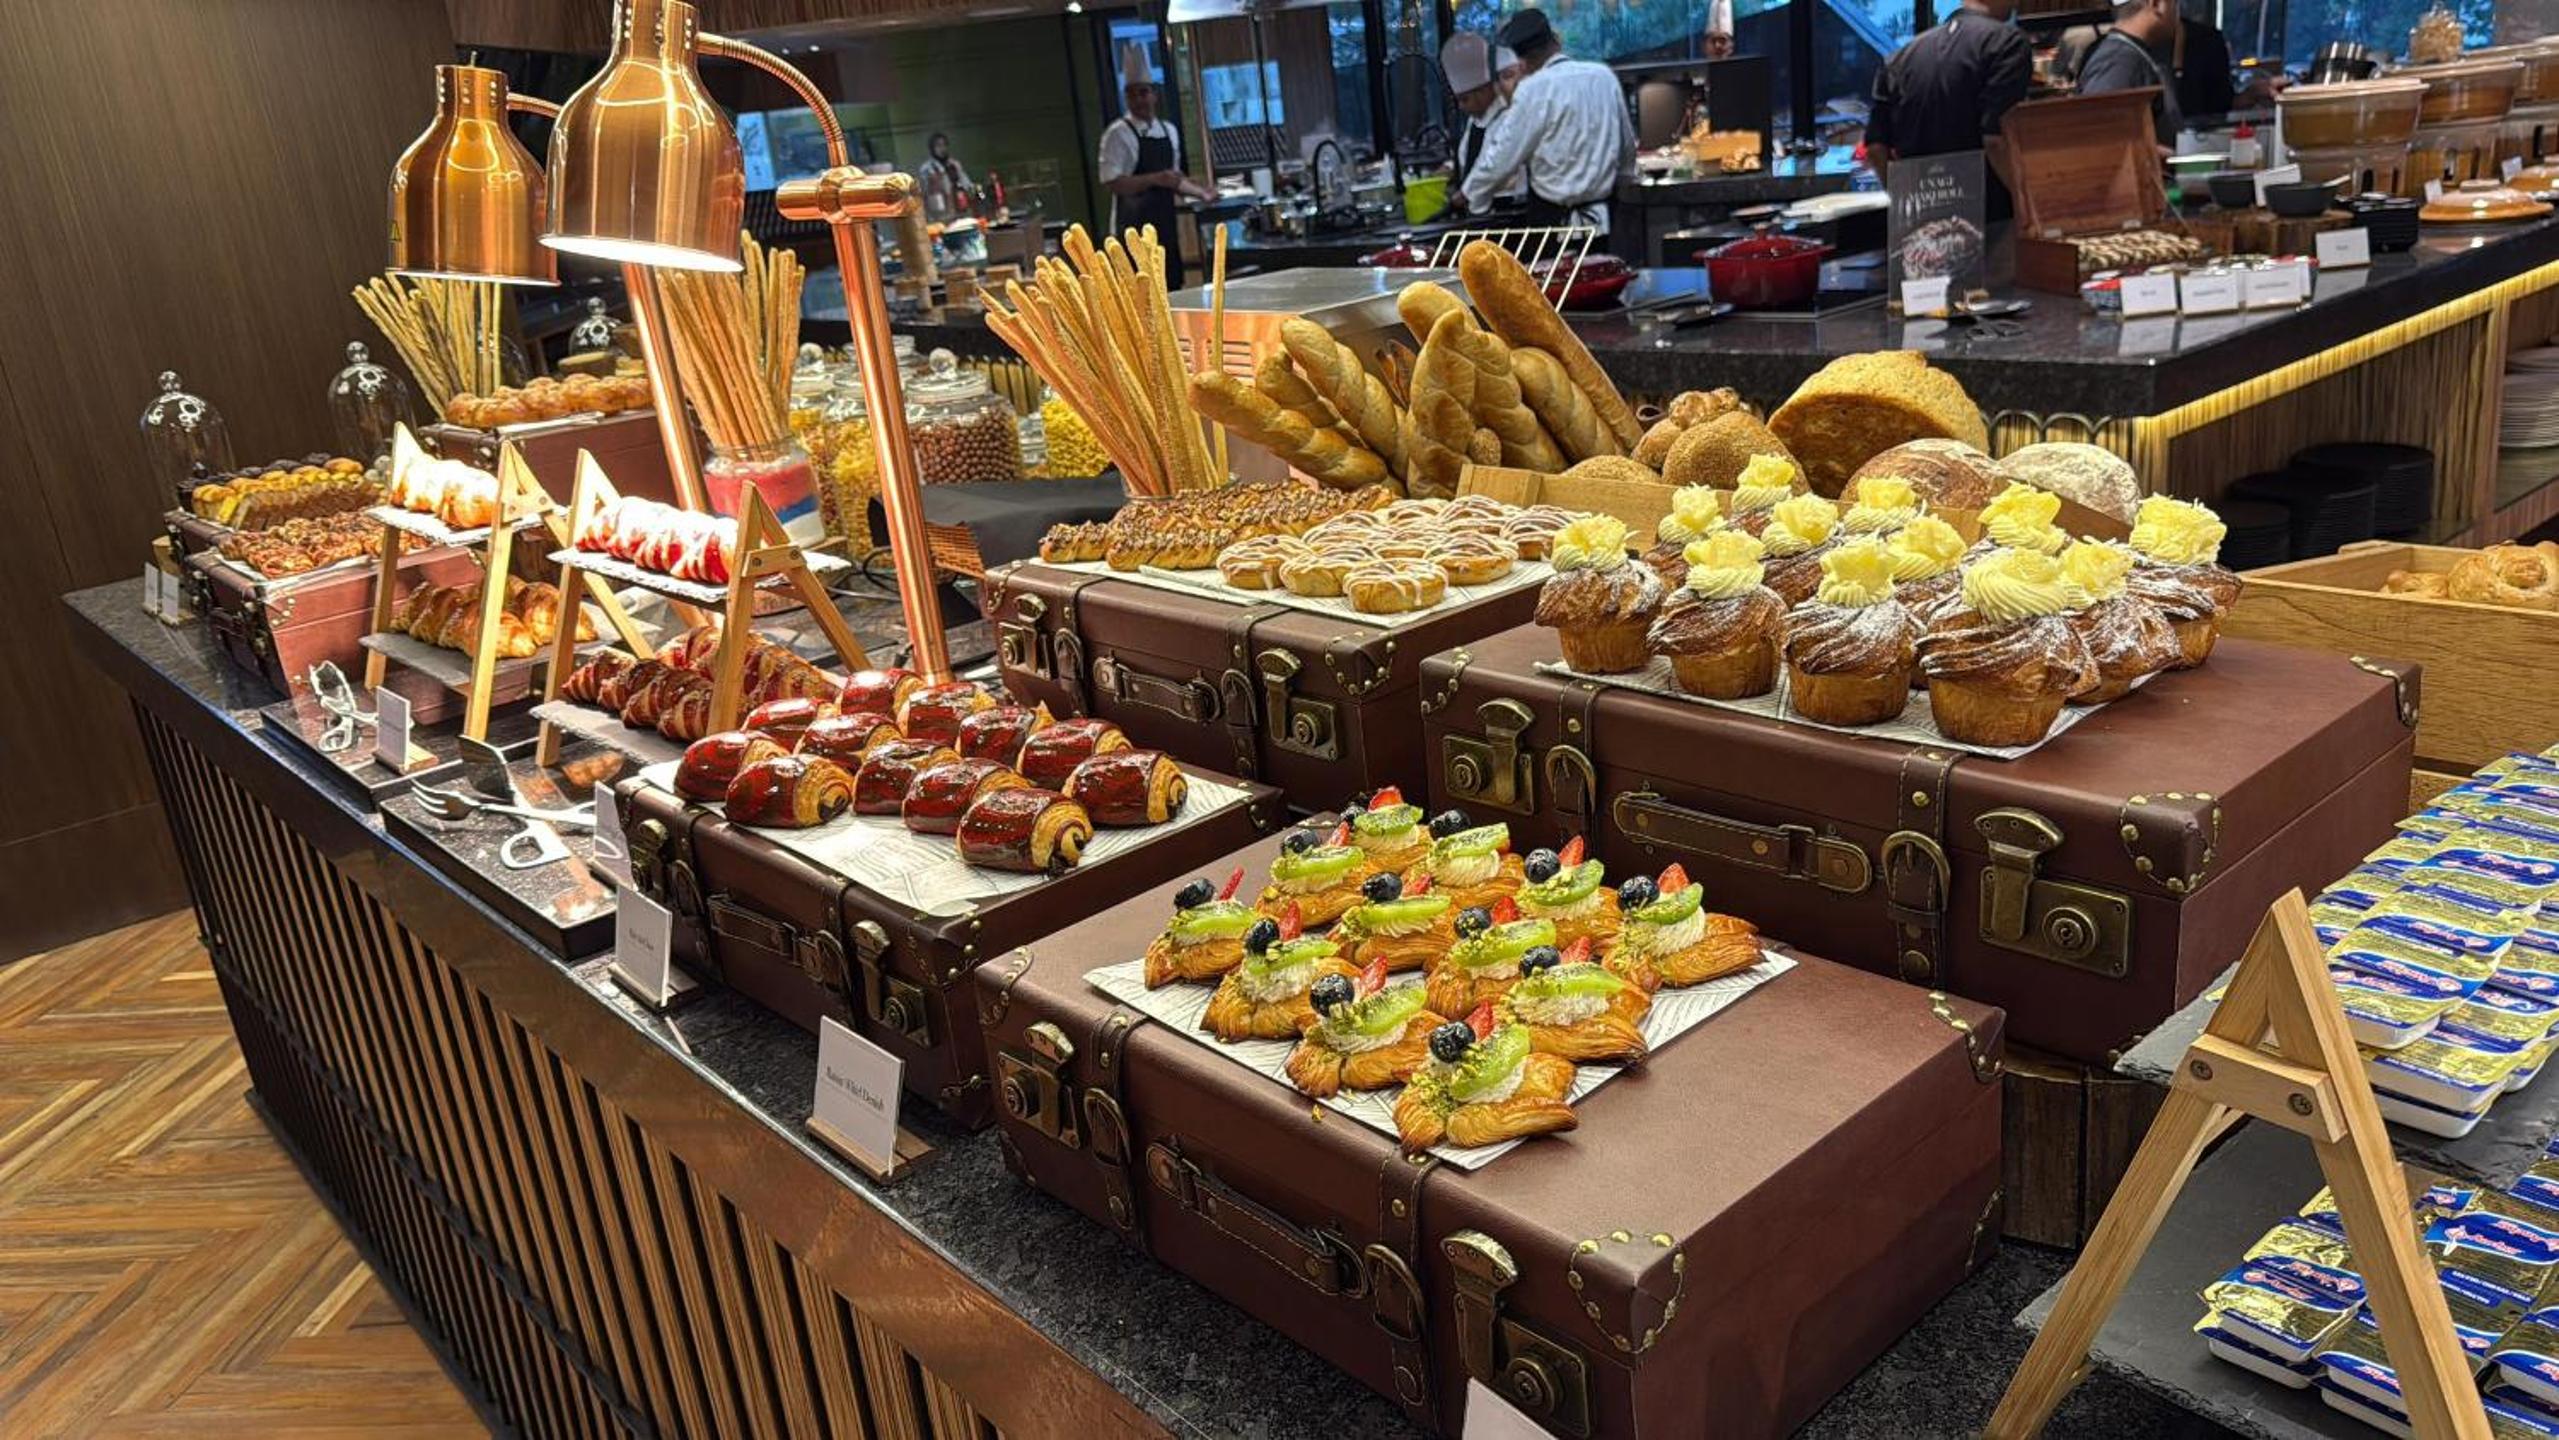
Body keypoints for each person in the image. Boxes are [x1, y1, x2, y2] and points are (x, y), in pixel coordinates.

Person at [1460, 8, 1637, 235]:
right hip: (1605, 220)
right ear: (1555, 40)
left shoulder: (1532, 90)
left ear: (1522, 62)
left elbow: (1503, 156)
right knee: (1604, 260)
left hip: (1553, 225)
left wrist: (1471, 195)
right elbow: (1627, 148)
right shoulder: (1603, 76)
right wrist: (1625, 182)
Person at [1866, 0, 2034, 211]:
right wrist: (2028, 206)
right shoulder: (2008, 43)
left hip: (1920, 213)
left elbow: (1875, 149)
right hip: (1986, 212)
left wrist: (1903, 202)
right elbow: (1996, 140)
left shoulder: (1900, 57)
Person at [1096, 49, 1213, 286]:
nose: (1139, 100)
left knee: (1171, 287)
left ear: (1154, 95)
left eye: (1143, 93)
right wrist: (1155, 179)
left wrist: (1203, 193)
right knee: (1139, 292)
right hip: (1132, 230)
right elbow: (1113, 182)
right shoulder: (1117, 134)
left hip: (1165, 229)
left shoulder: (1169, 130)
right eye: (1132, 95)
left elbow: (1174, 179)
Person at [2077, 0, 2185, 147]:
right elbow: (2102, 139)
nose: (2178, 13)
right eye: (2175, 4)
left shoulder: (2131, 53)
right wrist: (2152, 153)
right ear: (2156, 4)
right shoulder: (2118, 61)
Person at [1440, 33, 1524, 206]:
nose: (1461, 107)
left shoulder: (1509, 118)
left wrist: (1465, 193)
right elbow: (1466, 160)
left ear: (1484, 91)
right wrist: (1448, 169)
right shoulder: (1476, 121)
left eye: (1465, 100)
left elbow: (1495, 167)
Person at [917, 132, 972, 225]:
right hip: (939, 213)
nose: (942, 149)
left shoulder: (954, 164)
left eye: (944, 145)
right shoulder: (927, 168)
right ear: (932, 148)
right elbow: (923, 192)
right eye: (938, 146)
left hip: (959, 209)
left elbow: (967, 184)